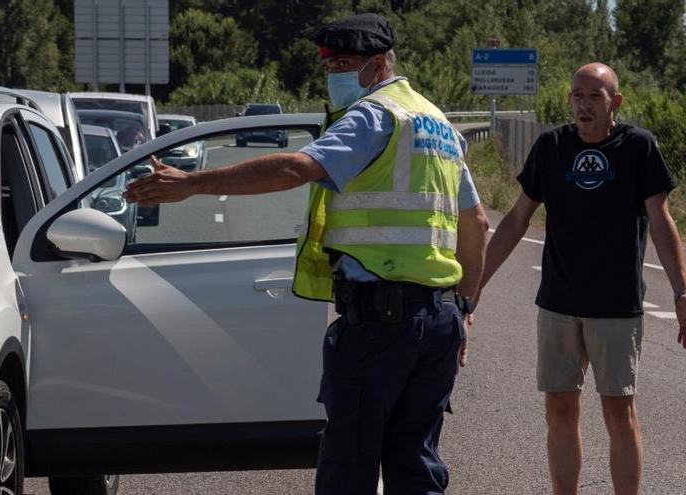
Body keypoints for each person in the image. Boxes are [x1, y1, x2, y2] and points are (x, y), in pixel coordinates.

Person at [125, 13, 489, 495]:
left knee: (349, 470)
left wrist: (193, 183)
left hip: (380, 323)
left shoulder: (375, 114)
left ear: (378, 65)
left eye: (343, 62)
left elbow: (298, 167)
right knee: (416, 467)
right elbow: (477, 224)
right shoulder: (438, 122)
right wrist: (463, 309)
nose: (332, 73)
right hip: (436, 320)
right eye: (327, 64)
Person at [478, 62, 686, 495]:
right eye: (577, 95)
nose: (584, 105)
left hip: (616, 305)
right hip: (558, 302)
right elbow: (517, 219)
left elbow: (662, 223)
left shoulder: (638, 148)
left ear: (616, 102)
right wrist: (474, 285)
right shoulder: (551, 146)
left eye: (595, 96)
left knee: (618, 411)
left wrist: (682, 291)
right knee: (558, 407)